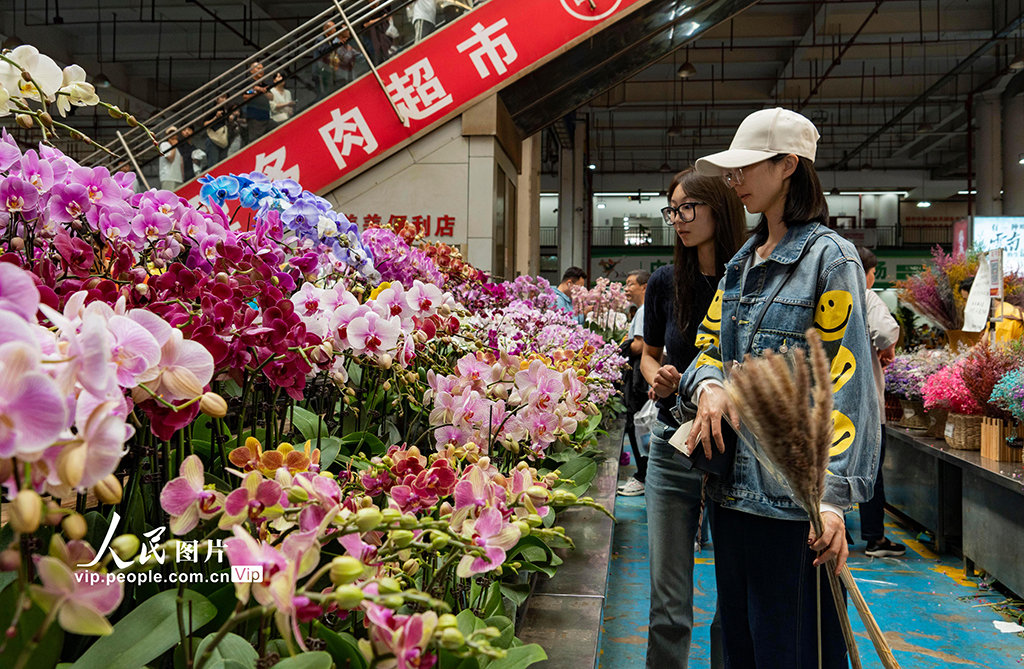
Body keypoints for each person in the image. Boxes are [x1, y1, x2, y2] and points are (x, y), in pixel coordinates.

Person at [681, 107, 881, 668]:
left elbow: (847, 386)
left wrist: (833, 502)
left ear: (789, 164)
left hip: (794, 509)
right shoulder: (742, 263)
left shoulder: (829, 260)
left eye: (747, 167)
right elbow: (707, 347)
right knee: (740, 644)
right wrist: (711, 387)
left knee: (794, 650)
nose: (734, 179)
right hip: (732, 495)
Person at [640, 167, 745, 668]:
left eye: (688, 208)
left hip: (734, 452)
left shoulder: (749, 278)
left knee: (733, 603)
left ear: (719, 209)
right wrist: (657, 374)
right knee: (668, 603)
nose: (678, 220)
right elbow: (649, 352)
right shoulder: (665, 281)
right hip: (669, 445)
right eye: (672, 211)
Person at [856, 247, 905, 558]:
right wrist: (887, 349)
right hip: (866, 404)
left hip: (828, 403)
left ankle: (833, 530)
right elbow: (886, 332)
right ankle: (875, 538)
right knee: (870, 469)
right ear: (867, 273)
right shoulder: (866, 296)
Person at [618, 269, 651, 497]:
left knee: (635, 422)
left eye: (630, 284)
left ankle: (642, 476)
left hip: (639, 375)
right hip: (641, 374)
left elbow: (640, 345)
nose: (626, 288)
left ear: (645, 286)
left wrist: (622, 348)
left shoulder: (643, 311)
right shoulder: (643, 310)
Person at [959, 276, 1024, 343]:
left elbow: (999, 352)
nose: (966, 305)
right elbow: (983, 344)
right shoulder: (999, 311)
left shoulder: (1002, 322)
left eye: (967, 300)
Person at [241, 61, 272, 143]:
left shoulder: (264, 84)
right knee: (255, 139)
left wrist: (263, 91)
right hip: (255, 116)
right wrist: (255, 91)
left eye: (262, 68)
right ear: (251, 71)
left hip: (266, 116)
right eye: (258, 68)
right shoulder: (248, 82)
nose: (261, 70)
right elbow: (246, 96)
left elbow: (271, 97)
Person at [158, 126, 183, 191]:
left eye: (175, 134)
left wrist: (182, 178)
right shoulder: (164, 145)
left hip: (178, 178)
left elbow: (181, 163)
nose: (173, 136)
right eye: (171, 133)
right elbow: (170, 158)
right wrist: (174, 146)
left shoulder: (177, 149)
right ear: (167, 135)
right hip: (168, 177)